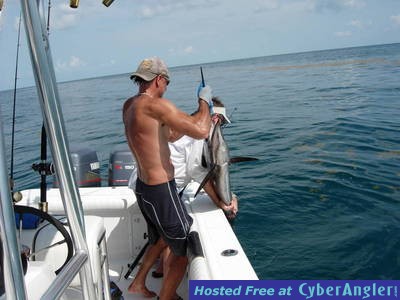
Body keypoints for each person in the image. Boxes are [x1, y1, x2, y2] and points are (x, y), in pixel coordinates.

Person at [123, 57, 211, 300]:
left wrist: (184, 120)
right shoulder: (156, 105)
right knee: (183, 248)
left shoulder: (130, 105)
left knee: (161, 237)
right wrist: (204, 102)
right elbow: (202, 130)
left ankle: (138, 283)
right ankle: (167, 297)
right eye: (167, 83)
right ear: (159, 80)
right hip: (161, 191)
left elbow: (169, 136)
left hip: (144, 188)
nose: (166, 88)